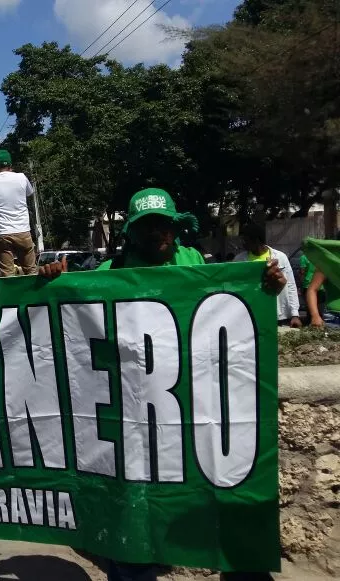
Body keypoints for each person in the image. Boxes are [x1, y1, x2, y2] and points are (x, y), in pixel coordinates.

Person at [94, 189, 284, 581]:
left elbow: (233, 303)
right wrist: (49, 280)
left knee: (227, 504)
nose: (158, 234)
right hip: (136, 421)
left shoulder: (193, 260)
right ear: (132, 232)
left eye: (164, 224)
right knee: (134, 522)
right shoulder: (111, 272)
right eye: (147, 226)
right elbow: (63, 303)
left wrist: (264, 284)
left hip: (197, 411)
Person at [232, 223, 300, 328]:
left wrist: (295, 314)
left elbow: (290, 285)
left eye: (246, 240)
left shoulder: (280, 257)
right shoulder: (239, 260)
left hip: (278, 316)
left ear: (257, 240)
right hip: (252, 315)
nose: (243, 243)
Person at [0, 149, 37, 277]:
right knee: (31, 272)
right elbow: (29, 193)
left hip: (2, 233)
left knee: (8, 275)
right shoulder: (22, 177)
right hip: (23, 230)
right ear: (10, 165)